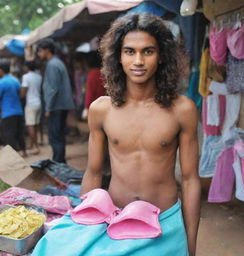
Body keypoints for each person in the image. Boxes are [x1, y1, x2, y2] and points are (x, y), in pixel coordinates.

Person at [32, 13, 200, 256]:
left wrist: (191, 242)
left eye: (148, 51)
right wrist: (85, 227)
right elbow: (94, 172)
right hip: (114, 219)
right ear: (118, 57)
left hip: (164, 222)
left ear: (162, 56)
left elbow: (190, 180)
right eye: (129, 51)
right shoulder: (101, 109)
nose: (138, 60)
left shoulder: (182, 109)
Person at [37, 38, 74, 163]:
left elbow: (52, 89)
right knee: (58, 136)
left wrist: (48, 108)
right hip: (60, 105)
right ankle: (60, 162)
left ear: (47, 51)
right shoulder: (57, 62)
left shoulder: (52, 64)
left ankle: (58, 164)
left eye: (40, 51)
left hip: (56, 106)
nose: (39, 54)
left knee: (55, 137)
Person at [0, 62, 27, 157]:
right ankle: (24, 151)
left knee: (9, 134)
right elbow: (20, 93)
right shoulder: (15, 80)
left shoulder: (1, 82)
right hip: (18, 111)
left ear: (1, 70)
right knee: (20, 133)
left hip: (8, 113)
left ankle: (14, 155)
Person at [20, 61, 42, 155]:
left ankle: (35, 146)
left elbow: (23, 91)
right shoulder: (39, 76)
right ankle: (33, 144)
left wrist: (21, 95)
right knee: (36, 125)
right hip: (38, 102)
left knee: (30, 125)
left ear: (27, 67)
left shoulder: (26, 77)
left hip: (30, 103)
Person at [81, 51, 106, 120]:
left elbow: (90, 93)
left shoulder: (92, 74)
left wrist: (86, 108)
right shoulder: (103, 72)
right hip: (104, 106)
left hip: (95, 108)